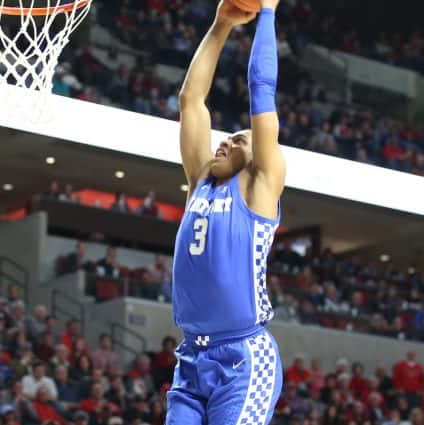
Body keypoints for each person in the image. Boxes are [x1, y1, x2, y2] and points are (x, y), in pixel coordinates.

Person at [167, 1, 286, 423]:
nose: (224, 142)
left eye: (237, 140)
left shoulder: (258, 186)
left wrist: (267, 12)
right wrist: (221, 26)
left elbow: (261, 90)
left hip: (243, 357)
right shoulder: (200, 179)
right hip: (192, 358)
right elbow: (191, 99)